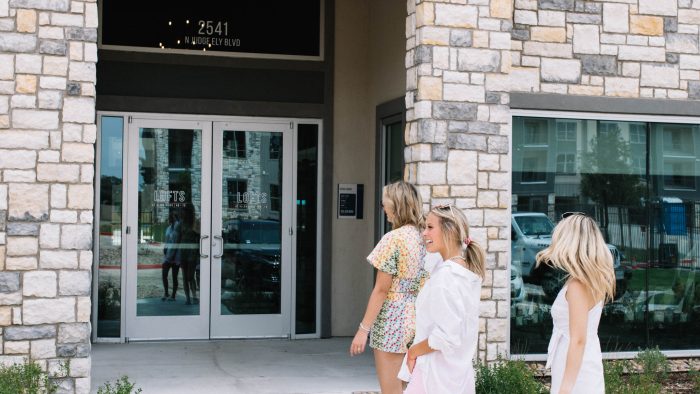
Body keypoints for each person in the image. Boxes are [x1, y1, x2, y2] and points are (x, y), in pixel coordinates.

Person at [349, 181, 427, 394]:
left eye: (385, 205)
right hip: (418, 318)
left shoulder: (393, 239)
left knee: (391, 391)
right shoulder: (426, 238)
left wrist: (362, 330)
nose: (383, 209)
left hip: (393, 320)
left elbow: (382, 290)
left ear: (396, 206)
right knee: (408, 388)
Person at [399, 204, 484, 394]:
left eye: (430, 227)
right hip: (454, 374)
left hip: (435, 376)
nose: (424, 233)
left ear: (450, 230)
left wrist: (413, 352)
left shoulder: (447, 275)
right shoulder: (461, 269)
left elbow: (446, 337)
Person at [537, 212, 615, 394]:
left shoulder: (578, 285)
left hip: (576, 367)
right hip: (581, 361)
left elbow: (578, 339)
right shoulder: (587, 280)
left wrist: (566, 388)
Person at [162, 211, 182, 302]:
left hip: (176, 255)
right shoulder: (168, 228)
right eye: (169, 217)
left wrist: (173, 254)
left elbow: (177, 241)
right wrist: (165, 249)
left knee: (175, 276)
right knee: (164, 274)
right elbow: (167, 240)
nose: (169, 218)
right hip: (168, 254)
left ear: (175, 217)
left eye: (171, 217)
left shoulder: (178, 227)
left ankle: (173, 295)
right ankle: (166, 293)